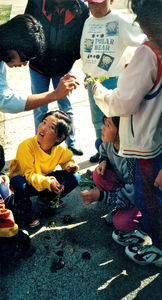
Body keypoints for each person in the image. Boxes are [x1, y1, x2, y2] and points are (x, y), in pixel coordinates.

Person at [0, 14, 79, 170]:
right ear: (10, 44)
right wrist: (54, 95)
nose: (24, 64)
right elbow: (10, 102)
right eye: (25, 57)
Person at [90, 0, 162, 266]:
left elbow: (123, 102)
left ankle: (157, 245)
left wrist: (99, 92)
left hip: (146, 145)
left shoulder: (148, 52)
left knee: (150, 199)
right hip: (156, 141)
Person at [80, 0, 145, 162]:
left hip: (113, 81)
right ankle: (103, 153)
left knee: (115, 121)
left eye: (100, 4)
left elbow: (144, 40)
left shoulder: (120, 21)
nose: (96, 8)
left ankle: (120, 156)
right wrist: (88, 71)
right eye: (92, 4)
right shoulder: (88, 21)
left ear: (111, 1)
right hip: (93, 81)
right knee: (97, 121)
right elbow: (86, 50)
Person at [25, 0, 89, 156]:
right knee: (39, 106)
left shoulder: (81, 8)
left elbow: (83, 37)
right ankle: (39, 144)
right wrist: (29, 52)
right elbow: (25, 27)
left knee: (65, 105)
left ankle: (71, 142)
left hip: (64, 66)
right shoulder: (37, 2)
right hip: (38, 65)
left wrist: (72, 56)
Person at [8, 110, 81, 228]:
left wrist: (70, 166)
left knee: (75, 176)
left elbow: (67, 160)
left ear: (59, 138)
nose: (43, 128)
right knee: (18, 182)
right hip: (26, 182)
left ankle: (47, 199)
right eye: (44, 122)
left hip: (43, 180)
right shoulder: (26, 146)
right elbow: (29, 175)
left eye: (51, 127)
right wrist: (48, 182)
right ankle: (26, 210)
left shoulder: (61, 148)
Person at [80, 116, 144, 240]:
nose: (102, 128)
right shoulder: (109, 142)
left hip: (137, 196)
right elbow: (103, 150)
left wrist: (100, 196)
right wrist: (103, 161)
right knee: (98, 175)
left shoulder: (130, 158)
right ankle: (118, 204)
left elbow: (132, 196)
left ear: (121, 134)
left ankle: (142, 229)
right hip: (125, 186)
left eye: (108, 125)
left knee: (121, 222)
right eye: (104, 123)